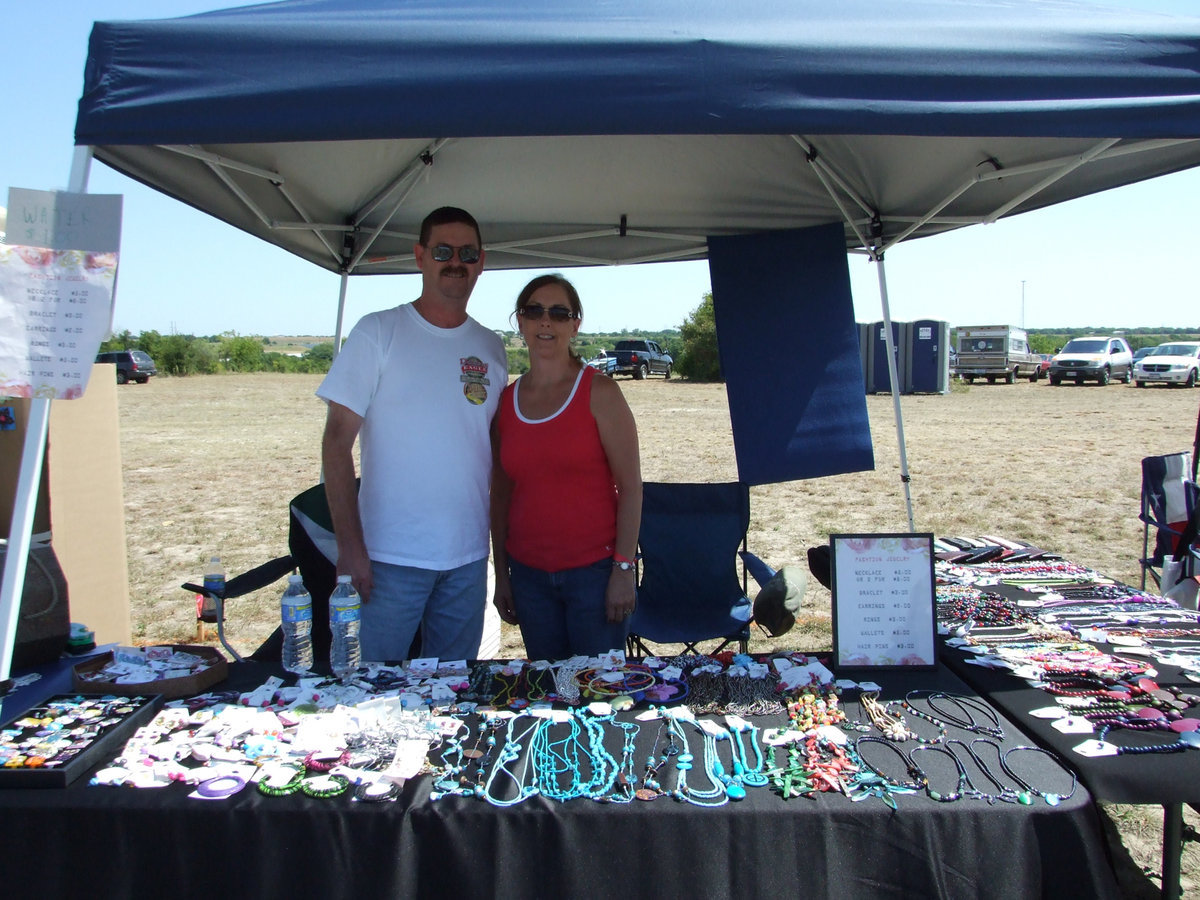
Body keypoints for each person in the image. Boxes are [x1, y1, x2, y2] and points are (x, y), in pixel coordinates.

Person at [317, 206, 507, 662]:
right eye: (443, 250)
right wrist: (351, 549)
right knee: (366, 692)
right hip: (387, 560)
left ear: (481, 261)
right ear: (420, 256)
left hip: (466, 560)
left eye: (467, 253)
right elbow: (336, 444)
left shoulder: (491, 345)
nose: (455, 262)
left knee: (451, 694)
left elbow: (495, 457)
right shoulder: (378, 331)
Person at [490, 274, 642, 660]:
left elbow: (631, 487)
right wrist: (503, 575)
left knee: (599, 700)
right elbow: (502, 497)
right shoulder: (507, 402)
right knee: (549, 697)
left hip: (594, 577)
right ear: (519, 321)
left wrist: (623, 569)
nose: (546, 322)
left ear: (575, 324)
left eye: (559, 313)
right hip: (529, 579)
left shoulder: (601, 393)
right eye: (534, 311)